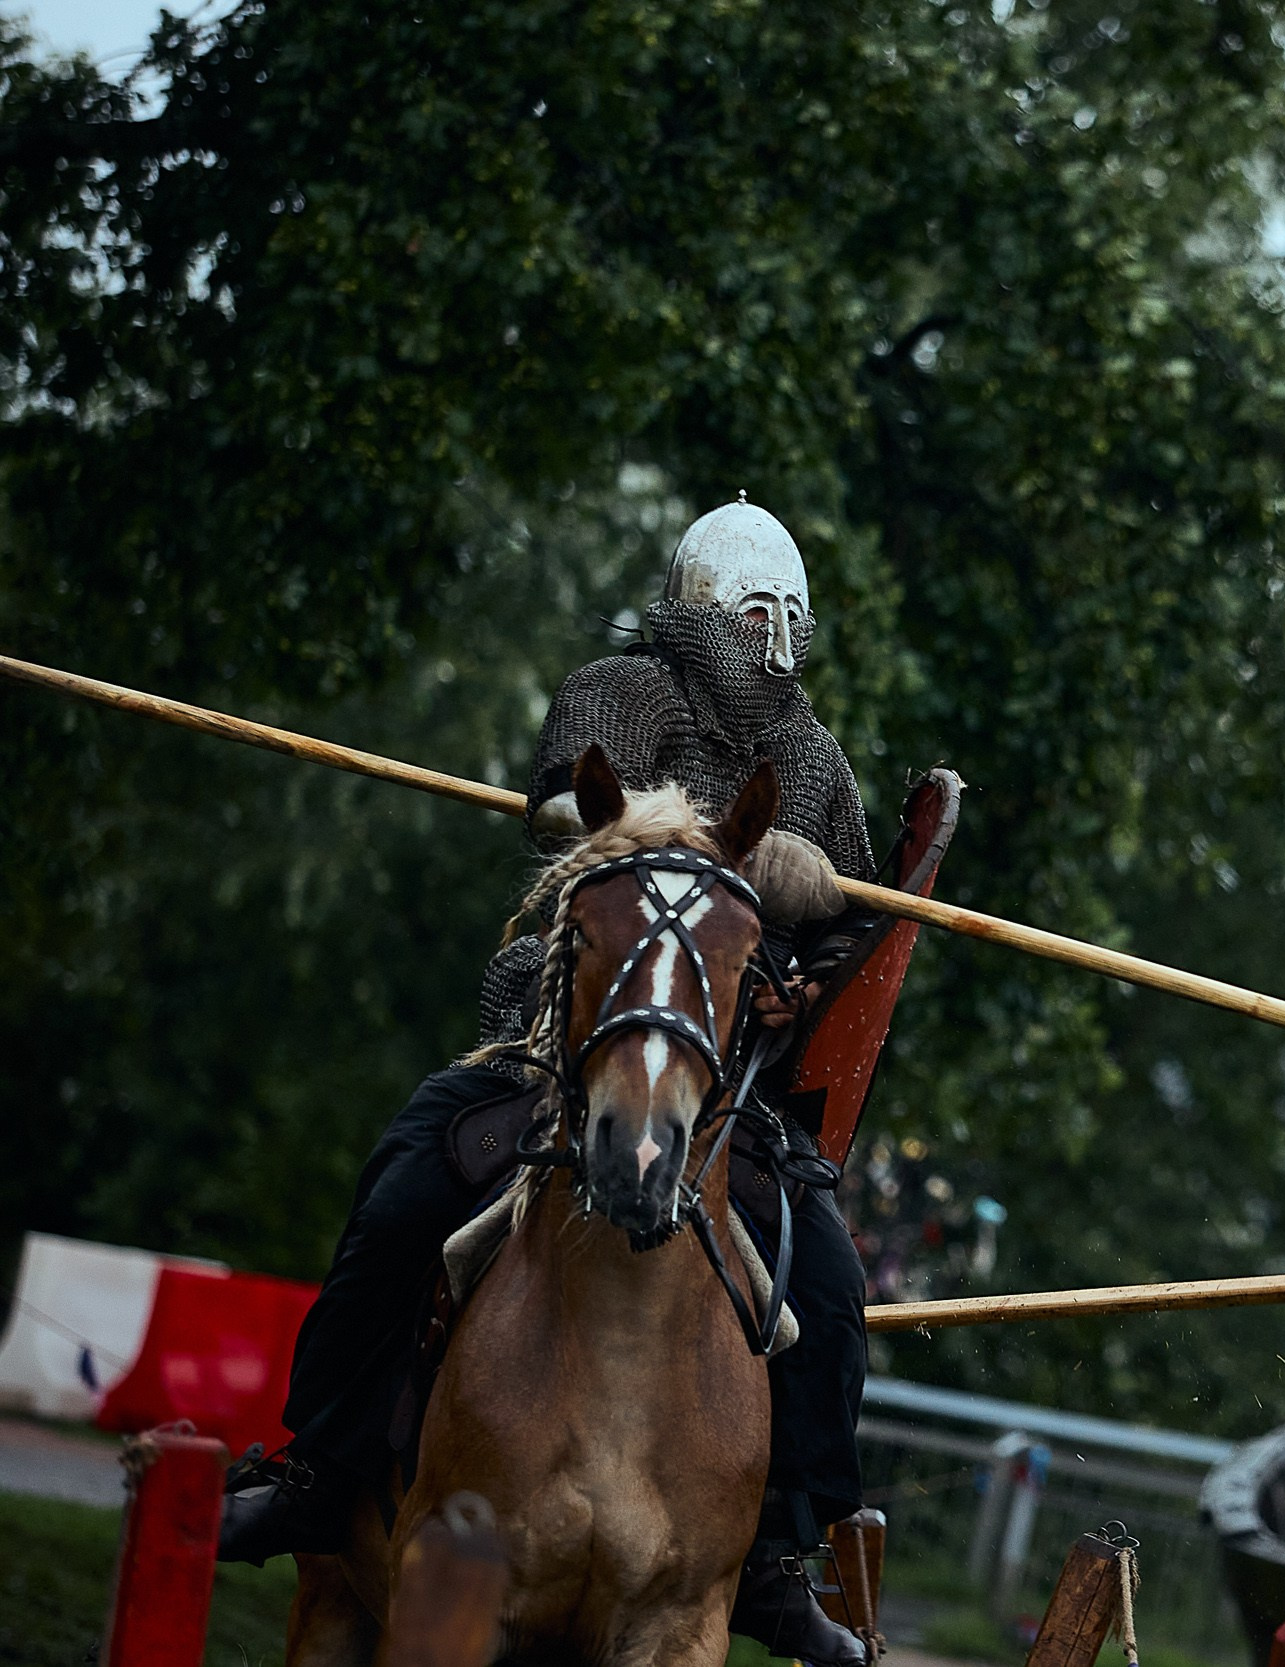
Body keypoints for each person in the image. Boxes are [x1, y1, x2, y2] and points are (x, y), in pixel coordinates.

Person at [219, 499, 876, 1667]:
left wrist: (797, 969)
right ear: (705, 610)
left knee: (826, 1284)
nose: (767, 638)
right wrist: (704, 832)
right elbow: (564, 804)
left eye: (785, 620)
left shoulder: (814, 761)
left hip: (722, 1085)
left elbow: (850, 935)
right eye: (751, 615)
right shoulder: (624, 690)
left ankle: (773, 1557)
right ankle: (319, 1470)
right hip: (567, 1037)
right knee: (409, 1189)